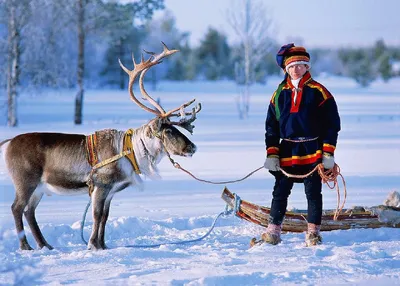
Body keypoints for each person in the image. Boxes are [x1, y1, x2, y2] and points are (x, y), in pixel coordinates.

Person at [263, 43, 341, 246]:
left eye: (300, 65)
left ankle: (313, 233)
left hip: (312, 149)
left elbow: (332, 124)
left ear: (307, 67)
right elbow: (271, 126)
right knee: (280, 191)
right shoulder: (279, 94)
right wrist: (272, 153)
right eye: (292, 66)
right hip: (287, 149)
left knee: (313, 192)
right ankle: (273, 232)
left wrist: (328, 153)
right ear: (286, 69)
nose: (296, 69)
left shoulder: (319, 92)